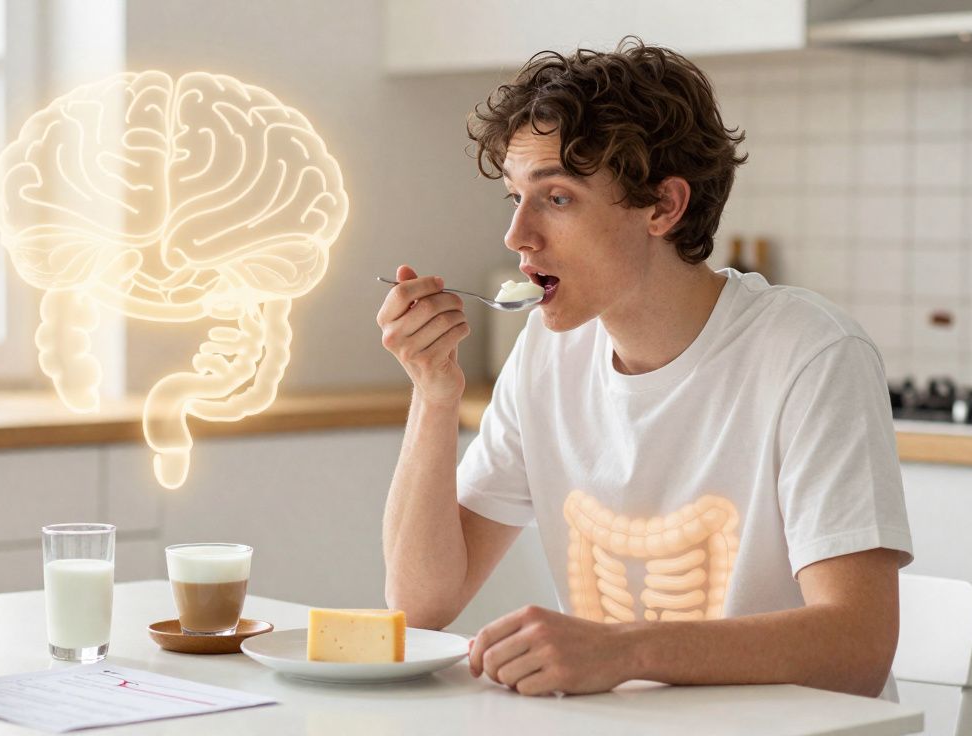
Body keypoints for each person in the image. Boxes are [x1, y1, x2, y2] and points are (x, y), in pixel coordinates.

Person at [376, 37, 912, 700]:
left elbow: (856, 647)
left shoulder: (809, 355)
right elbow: (421, 603)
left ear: (663, 206)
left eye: (558, 198)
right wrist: (432, 394)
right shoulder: (545, 354)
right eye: (514, 197)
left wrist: (625, 651)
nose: (517, 235)